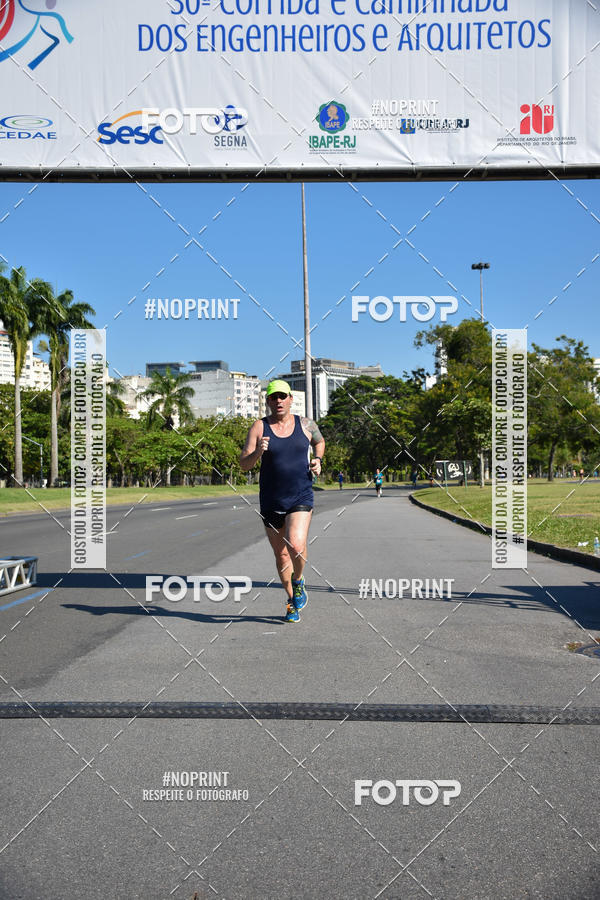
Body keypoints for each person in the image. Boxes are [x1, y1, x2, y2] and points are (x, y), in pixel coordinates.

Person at [240, 380, 325, 623]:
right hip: (271, 498)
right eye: (273, 397)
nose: (278, 401)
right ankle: (291, 600)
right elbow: (244, 463)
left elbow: (319, 442)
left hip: (300, 494)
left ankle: (298, 581)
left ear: (290, 399)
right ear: (267, 401)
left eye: (282, 396)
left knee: (296, 545)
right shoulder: (259, 427)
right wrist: (258, 452)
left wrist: (318, 459)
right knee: (282, 555)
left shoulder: (306, 424)